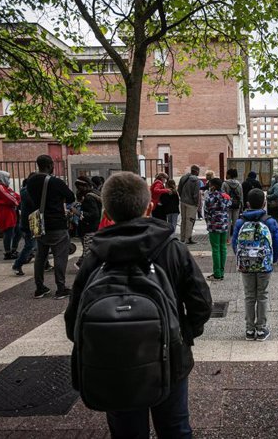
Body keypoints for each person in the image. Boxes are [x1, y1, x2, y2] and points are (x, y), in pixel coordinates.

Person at [64, 171, 212, 439]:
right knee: (175, 429)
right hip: (171, 357)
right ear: (149, 206)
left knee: (127, 432)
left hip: (115, 362)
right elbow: (201, 303)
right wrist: (184, 333)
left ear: (107, 209)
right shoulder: (172, 248)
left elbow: (73, 320)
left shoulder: (95, 254)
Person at [231, 188, 278, 341]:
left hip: (246, 264)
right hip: (264, 264)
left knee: (249, 296)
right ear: (264, 203)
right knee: (262, 295)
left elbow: (235, 244)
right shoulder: (270, 221)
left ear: (247, 203)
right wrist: (271, 260)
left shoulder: (240, 222)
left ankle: (249, 330)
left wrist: (243, 258)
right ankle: (261, 330)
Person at [27, 154, 76, 300]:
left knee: (40, 256)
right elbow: (71, 197)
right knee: (60, 256)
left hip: (39, 224)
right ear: (49, 166)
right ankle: (61, 288)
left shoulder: (31, 181)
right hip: (56, 223)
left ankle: (39, 287)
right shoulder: (55, 182)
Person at [203, 178, 231, 281]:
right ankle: (222, 272)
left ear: (213, 186)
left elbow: (206, 211)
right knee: (223, 247)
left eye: (210, 184)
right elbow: (229, 207)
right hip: (224, 224)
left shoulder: (210, 197)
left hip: (214, 225)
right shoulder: (226, 196)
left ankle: (217, 273)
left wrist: (208, 222)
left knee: (215, 249)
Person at [74, 176, 102, 269]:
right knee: (89, 250)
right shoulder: (95, 194)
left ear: (85, 186)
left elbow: (93, 214)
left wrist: (77, 212)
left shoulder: (89, 197)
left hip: (89, 228)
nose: (78, 190)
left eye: (79, 187)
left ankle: (87, 270)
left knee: (88, 252)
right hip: (94, 227)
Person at [0, 170, 21, 260]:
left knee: (18, 230)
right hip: (5, 212)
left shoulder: (6, 187)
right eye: (7, 178)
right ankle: (8, 252)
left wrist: (16, 200)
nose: (9, 180)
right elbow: (10, 198)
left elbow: (16, 196)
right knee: (9, 232)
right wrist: (17, 202)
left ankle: (13, 249)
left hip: (11, 211)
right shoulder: (0, 187)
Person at [12, 176, 36, 276]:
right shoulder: (28, 192)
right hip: (31, 222)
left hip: (29, 221)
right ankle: (17, 264)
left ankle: (45, 264)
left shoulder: (24, 191)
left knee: (37, 244)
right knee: (30, 245)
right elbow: (35, 205)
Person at [178, 165, 201, 245]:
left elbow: (179, 189)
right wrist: (196, 204)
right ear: (196, 171)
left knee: (183, 220)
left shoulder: (183, 178)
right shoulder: (196, 181)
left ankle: (182, 238)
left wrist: (182, 197)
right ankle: (188, 239)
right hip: (191, 203)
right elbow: (196, 194)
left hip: (183, 201)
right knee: (190, 221)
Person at [222, 169, 244, 239]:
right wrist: (241, 205)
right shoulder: (239, 184)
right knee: (235, 222)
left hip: (227, 205)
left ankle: (227, 239)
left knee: (227, 222)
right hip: (236, 205)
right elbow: (241, 196)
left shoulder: (225, 184)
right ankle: (235, 239)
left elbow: (222, 195)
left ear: (229, 174)